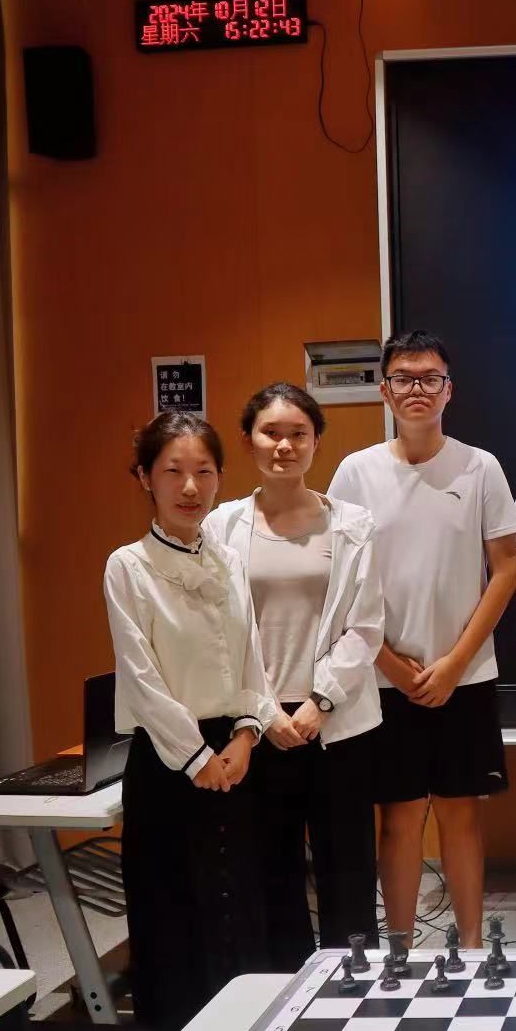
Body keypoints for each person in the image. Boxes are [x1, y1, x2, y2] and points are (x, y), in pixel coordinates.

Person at [329, 331, 516, 944]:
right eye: (404, 378)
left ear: (449, 390)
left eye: (430, 378)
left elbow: (506, 571)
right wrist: (387, 661)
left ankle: (472, 949)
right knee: (399, 819)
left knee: (462, 817)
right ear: (385, 391)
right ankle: (401, 953)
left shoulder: (480, 466)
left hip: (465, 676)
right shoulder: (355, 472)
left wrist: (455, 663)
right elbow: (340, 579)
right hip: (385, 679)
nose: (418, 388)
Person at [103, 412, 276, 1031]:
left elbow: (253, 657)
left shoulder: (229, 559)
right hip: (169, 760)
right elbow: (140, 677)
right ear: (144, 478)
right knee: (172, 911)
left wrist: (248, 735)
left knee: (239, 903)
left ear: (220, 477)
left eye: (204, 471)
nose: (190, 487)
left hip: (235, 755)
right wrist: (197, 758)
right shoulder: (128, 566)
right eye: (173, 471)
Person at [202, 384, 382, 970]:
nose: (284, 445)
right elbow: (219, 631)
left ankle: (353, 985)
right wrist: (264, 711)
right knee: (269, 870)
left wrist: (320, 701)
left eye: (298, 434)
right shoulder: (222, 525)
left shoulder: (352, 524)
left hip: (335, 725)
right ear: (248, 440)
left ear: (316, 441)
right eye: (271, 433)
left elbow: (366, 627)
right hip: (255, 728)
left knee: (347, 869)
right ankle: (284, 990)